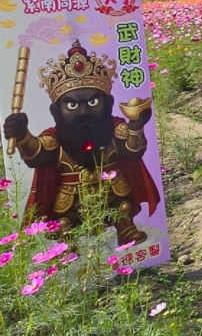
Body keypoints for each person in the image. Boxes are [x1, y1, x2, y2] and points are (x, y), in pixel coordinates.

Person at [2, 40, 160, 245]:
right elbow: (37, 153)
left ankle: (125, 228)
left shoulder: (116, 129)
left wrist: (136, 126)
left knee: (123, 206)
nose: (84, 112)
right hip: (71, 197)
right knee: (64, 221)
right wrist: (23, 135)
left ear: (109, 104)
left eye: (93, 102)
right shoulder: (55, 138)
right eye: (72, 105)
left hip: (112, 190)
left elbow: (132, 150)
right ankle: (67, 244)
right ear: (55, 111)